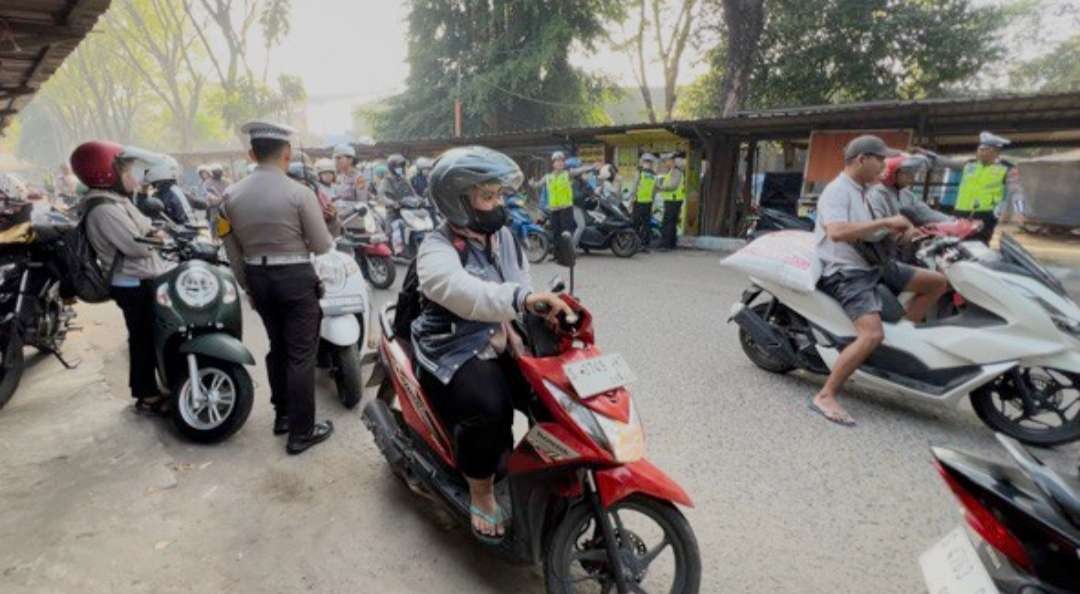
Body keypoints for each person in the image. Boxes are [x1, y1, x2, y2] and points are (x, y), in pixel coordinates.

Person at [413, 145, 573, 542]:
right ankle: (481, 492)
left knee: (554, 393)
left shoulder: (502, 236)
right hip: (453, 347)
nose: (498, 203)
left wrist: (540, 308)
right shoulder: (436, 248)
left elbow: (521, 285)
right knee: (490, 408)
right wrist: (519, 301)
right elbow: (464, 292)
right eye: (488, 196)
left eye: (499, 194)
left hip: (502, 336)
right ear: (458, 202)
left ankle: (540, 468)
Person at [811, 135, 949, 427]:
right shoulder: (837, 191)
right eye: (880, 159)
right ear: (862, 159)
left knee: (936, 283)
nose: (885, 166)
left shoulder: (865, 190)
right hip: (846, 271)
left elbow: (871, 232)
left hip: (875, 263)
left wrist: (905, 234)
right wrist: (886, 223)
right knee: (871, 334)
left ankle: (898, 345)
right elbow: (836, 231)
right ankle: (825, 395)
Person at [219, 121, 335, 455]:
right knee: (301, 355)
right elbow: (322, 245)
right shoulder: (299, 193)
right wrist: (330, 220)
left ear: (252, 154)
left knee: (278, 348)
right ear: (286, 153)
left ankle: (283, 416)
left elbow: (232, 251)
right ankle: (302, 432)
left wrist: (248, 287)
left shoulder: (229, 196)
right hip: (296, 278)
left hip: (258, 278)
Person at [70, 140, 170, 414]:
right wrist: (155, 237)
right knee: (143, 338)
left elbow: (148, 228)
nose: (134, 178)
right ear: (107, 173)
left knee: (150, 336)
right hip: (132, 284)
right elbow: (137, 245)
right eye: (127, 171)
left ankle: (155, 386)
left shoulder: (117, 202)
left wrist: (153, 234)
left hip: (143, 278)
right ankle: (146, 394)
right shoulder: (103, 209)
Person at [916, 131, 1024, 244]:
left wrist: (1020, 212)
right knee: (953, 243)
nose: (980, 152)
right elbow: (947, 162)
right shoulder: (969, 165)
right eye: (979, 149)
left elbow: (1017, 192)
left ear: (995, 152)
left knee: (977, 244)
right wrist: (927, 154)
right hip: (960, 212)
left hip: (985, 215)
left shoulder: (1006, 169)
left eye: (985, 150)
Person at [529, 152, 577, 244]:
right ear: (553, 164)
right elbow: (537, 185)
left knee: (566, 234)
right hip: (554, 209)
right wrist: (532, 184)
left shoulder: (568, 174)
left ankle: (570, 254)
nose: (560, 163)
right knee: (556, 234)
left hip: (566, 208)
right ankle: (557, 255)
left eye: (562, 161)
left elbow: (579, 170)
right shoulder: (548, 177)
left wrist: (591, 167)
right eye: (557, 161)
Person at [144, 155, 194, 224]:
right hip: (178, 230)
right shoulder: (167, 190)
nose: (147, 172)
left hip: (182, 232)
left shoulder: (170, 192)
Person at [627, 153, 658, 251]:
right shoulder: (653, 174)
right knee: (645, 224)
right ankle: (643, 245)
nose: (647, 164)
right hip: (646, 202)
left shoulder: (640, 172)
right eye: (646, 162)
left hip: (641, 202)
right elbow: (654, 190)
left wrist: (631, 201)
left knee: (637, 224)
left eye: (648, 162)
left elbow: (635, 186)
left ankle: (635, 244)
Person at [656, 153, 686, 251]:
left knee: (667, 223)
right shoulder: (673, 171)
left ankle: (666, 245)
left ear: (672, 161)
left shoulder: (676, 171)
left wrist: (661, 187)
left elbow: (673, 185)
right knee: (671, 223)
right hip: (673, 199)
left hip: (673, 199)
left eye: (667, 161)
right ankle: (671, 243)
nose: (666, 163)